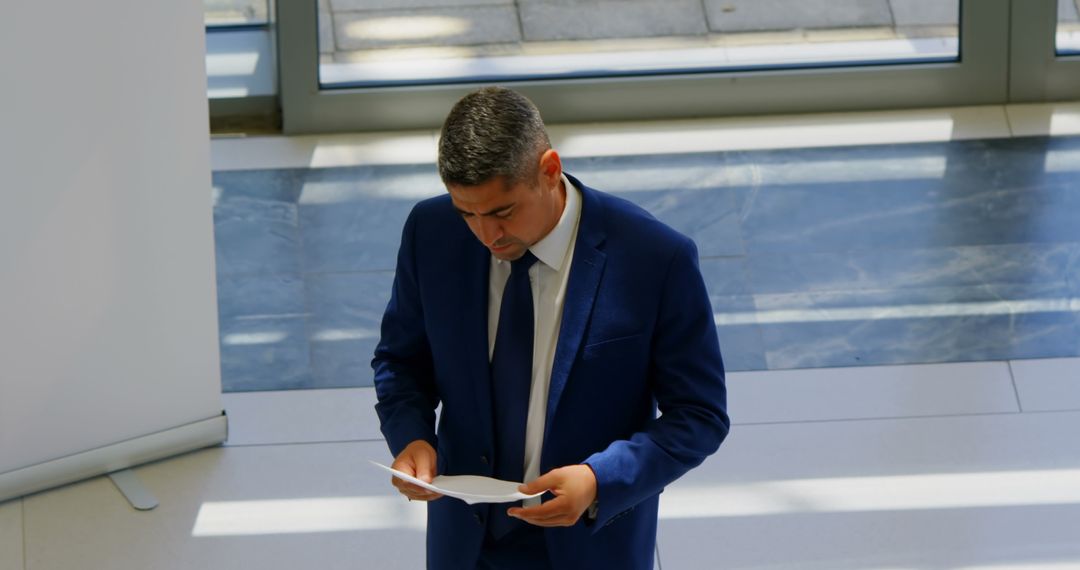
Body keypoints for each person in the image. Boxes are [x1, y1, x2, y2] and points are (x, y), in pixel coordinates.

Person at [373, 86, 729, 570]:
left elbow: (700, 415)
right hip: (465, 543)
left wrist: (600, 479)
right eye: (467, 213)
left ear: (549, 170)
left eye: (502, 212)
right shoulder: (430, 232)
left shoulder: (655, 259)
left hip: (591, 540)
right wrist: (411, 437)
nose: (486, 236)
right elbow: (401, 360)